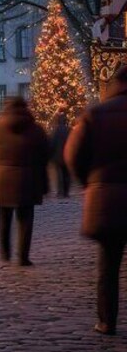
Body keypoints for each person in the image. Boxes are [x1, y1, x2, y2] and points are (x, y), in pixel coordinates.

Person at [64, 65, 127, 335]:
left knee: (108, 265)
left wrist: (89, 182)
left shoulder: (95, 114)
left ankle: (106, 320)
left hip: (106, 199)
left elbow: (72, 155)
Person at [0, 97, 49, 266]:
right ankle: (23, 256)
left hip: (1, 178)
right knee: (25, 218)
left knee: (4, 216)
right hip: (28, 178)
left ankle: (5, 252)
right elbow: (46, 152)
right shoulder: (36, 129)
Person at [50, 112, 71, 198]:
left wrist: (51, 154)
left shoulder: (56, 130)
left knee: (59, 175)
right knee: (66, 174)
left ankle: (59, 192)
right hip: (67, 155)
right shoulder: (68, 130)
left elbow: (52, 143)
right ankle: (66, 192)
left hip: (58, 156)